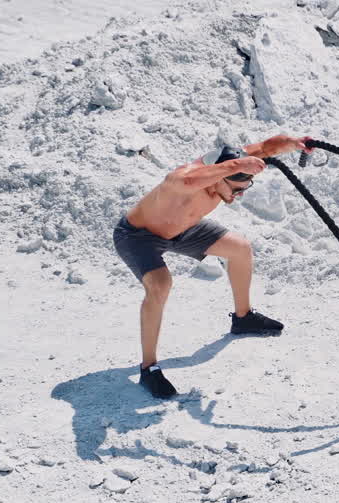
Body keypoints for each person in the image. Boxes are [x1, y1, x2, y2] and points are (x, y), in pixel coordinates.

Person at [113, 134, 308, 398]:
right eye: (237, 189)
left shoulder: (229, 166)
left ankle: (243, 318)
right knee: (160, 284)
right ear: (218, 176)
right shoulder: (184, 177)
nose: (239, 195)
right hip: (138, 236)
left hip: (184, 229)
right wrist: (237, 168)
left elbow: (264, 148)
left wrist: (295, 143)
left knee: (240, 249)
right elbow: (187, 180)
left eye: (245, 188)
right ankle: (149, 369)